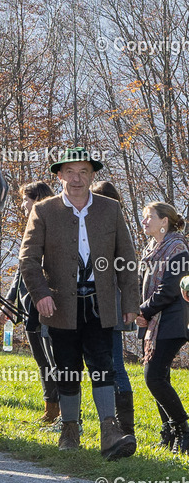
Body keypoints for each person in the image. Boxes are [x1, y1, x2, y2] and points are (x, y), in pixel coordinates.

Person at [19, 147, 140, 460]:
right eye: (70, 172)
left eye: (83, 172)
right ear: (59, 175)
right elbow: (28, 260)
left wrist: (130, 301)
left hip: (100, 304)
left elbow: (126, 259)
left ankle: (110, 429)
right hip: (60, 305)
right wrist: (41, 293)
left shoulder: (110, 209)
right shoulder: (44, 211)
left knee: (103, 366)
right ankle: (70, 428)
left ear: (92, 175)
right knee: (67, 369)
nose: (76, 178)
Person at [133, 201, 189, 453]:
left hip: (172, 321)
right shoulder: (153, 247)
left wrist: (143, 311)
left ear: (164, 221)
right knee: (160, 376)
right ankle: (169, 432)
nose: (144, 221)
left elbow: (168, 291)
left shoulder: (177, 248)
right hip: (156, 322)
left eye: (149, 217)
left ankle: (182, 428)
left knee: (153, 377)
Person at [3, 181, 59, 425]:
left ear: (37, 199)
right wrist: (9, 300)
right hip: (28, 306)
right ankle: (51, 408)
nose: (23, 205)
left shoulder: (51, 226)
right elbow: (21, 271)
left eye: (26, 199)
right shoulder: (29, 227)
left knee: (53, 359)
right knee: (41, 360)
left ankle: (64, 412)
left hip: (46, 305)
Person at [90, 180, 137, 436]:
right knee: (109, 362)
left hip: (110, 303)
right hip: (102, 303)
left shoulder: (110, 227)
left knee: (115, 364)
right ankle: (118, 423)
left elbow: (125, 267)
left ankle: (125, 426)